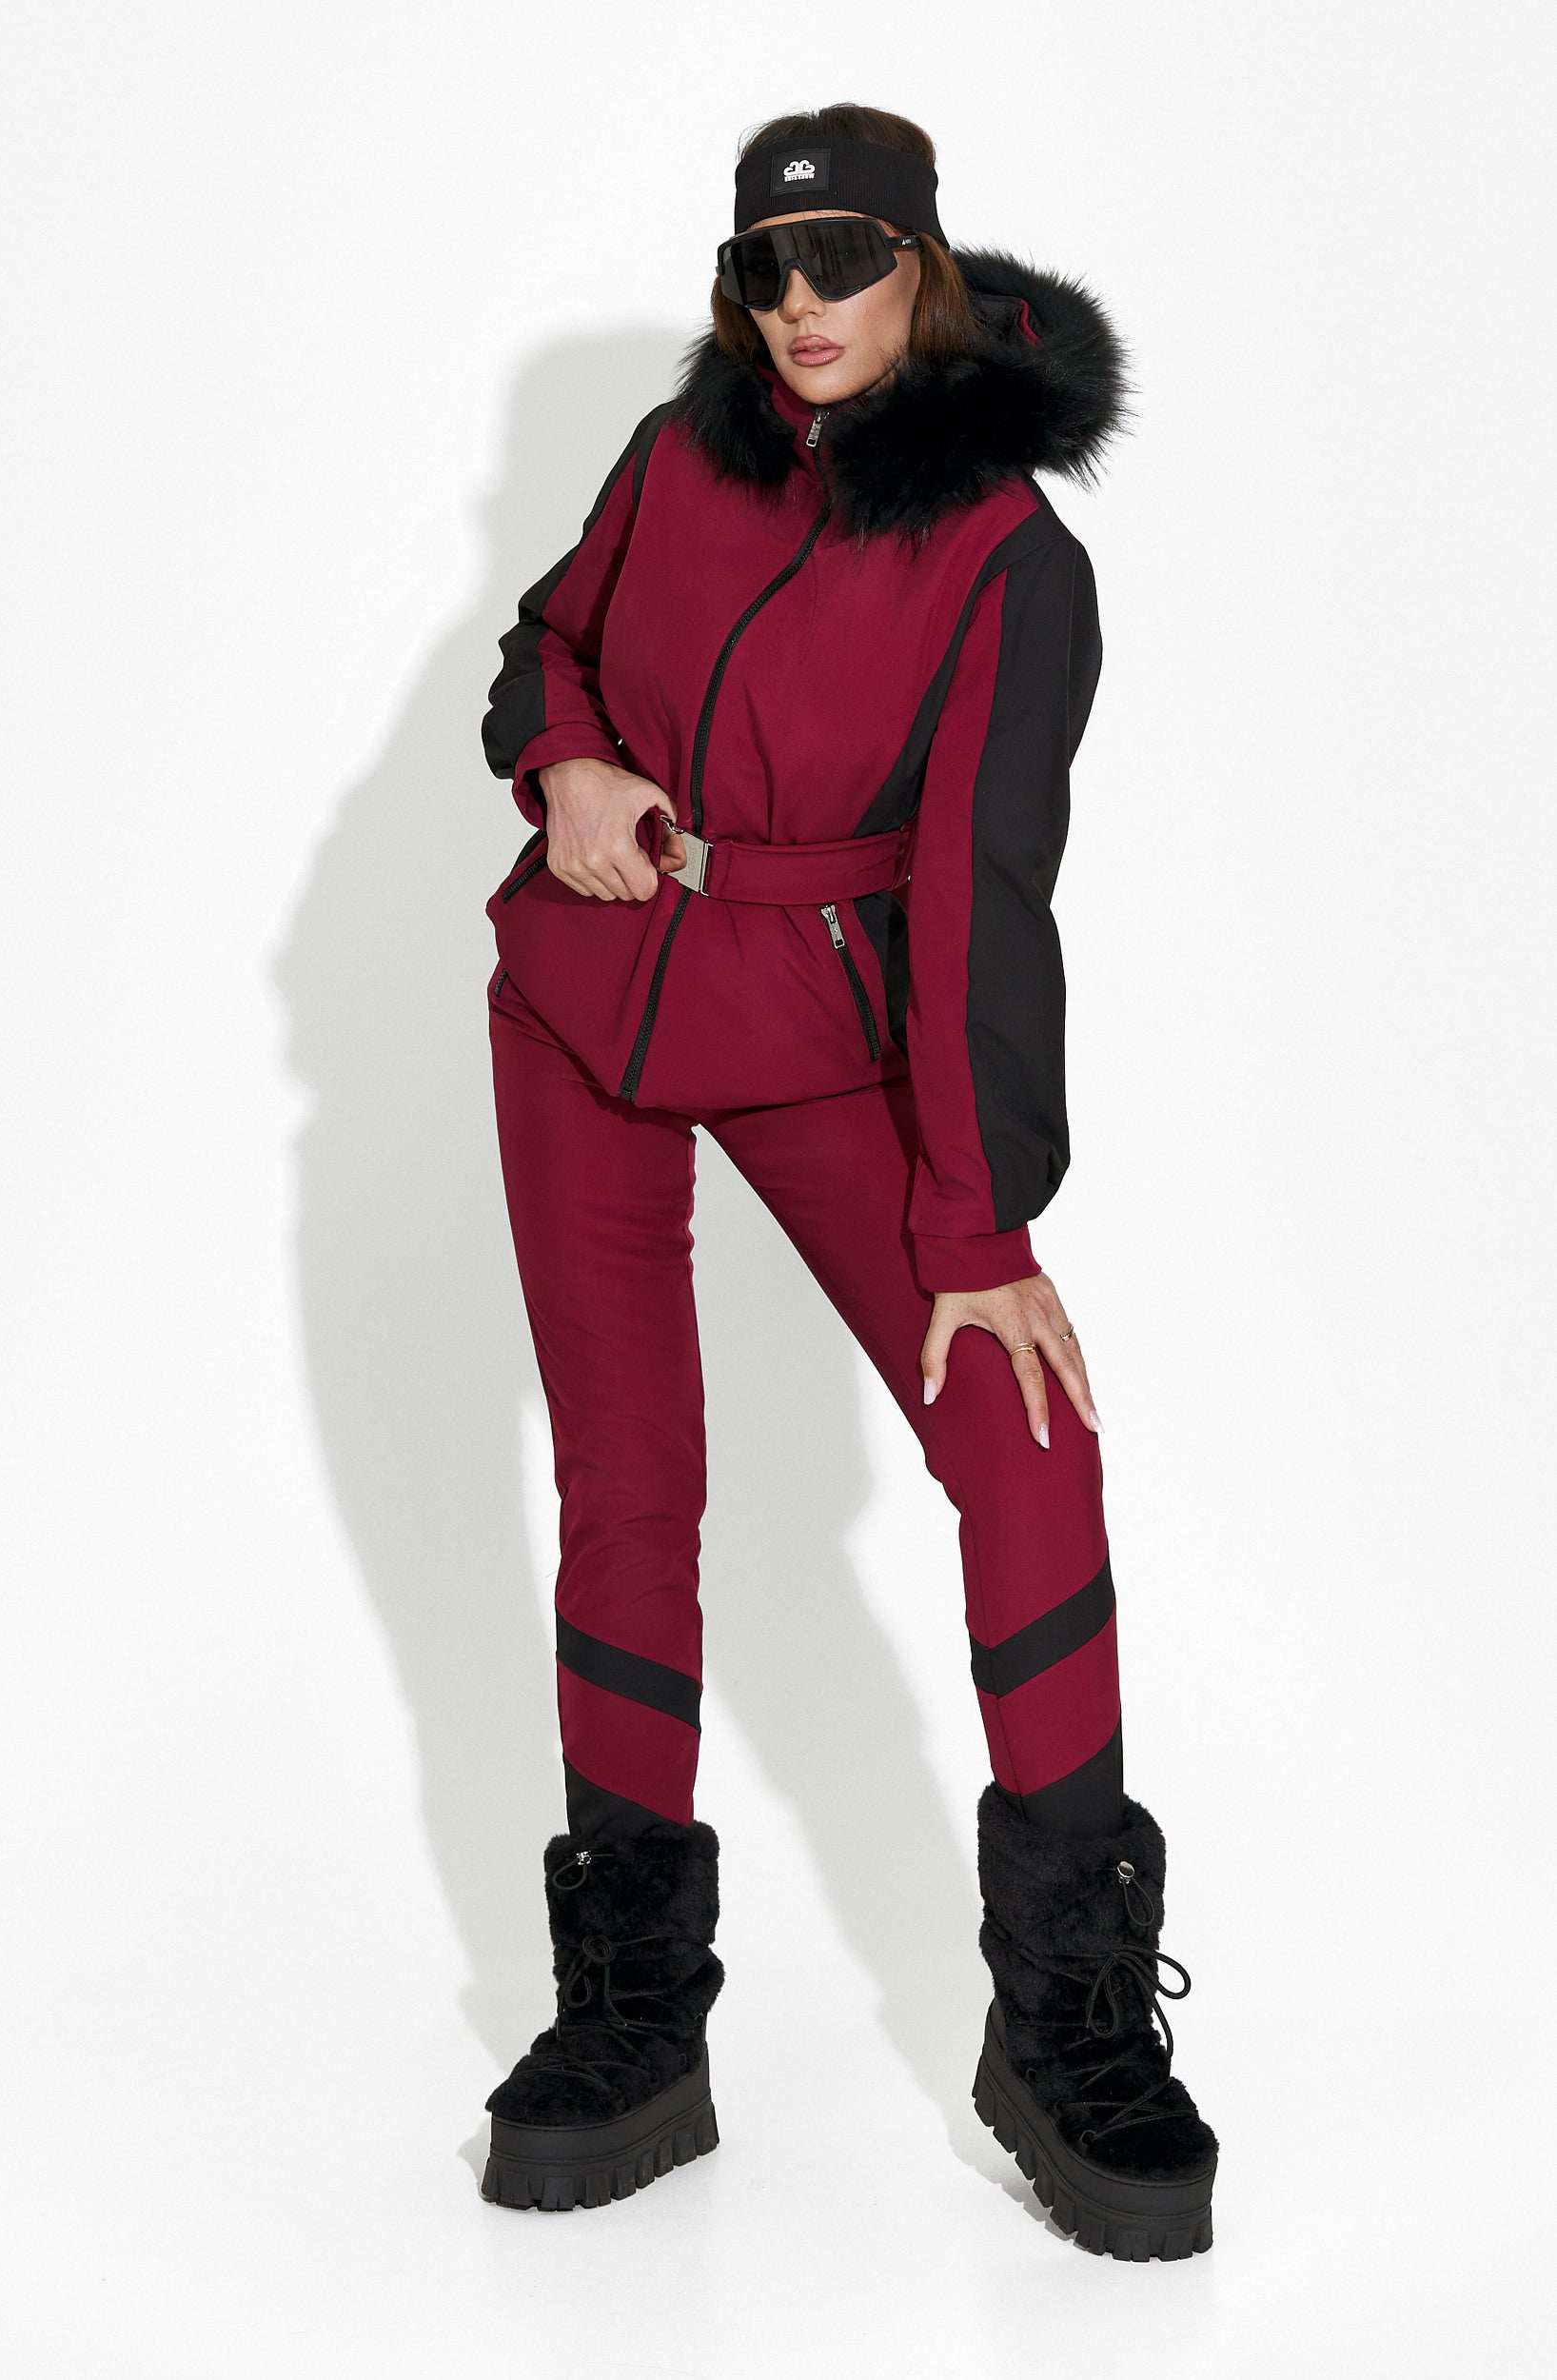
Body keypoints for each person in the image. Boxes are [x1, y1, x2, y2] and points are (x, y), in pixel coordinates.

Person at [475, 103, 1218, 2260]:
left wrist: (979, 1227)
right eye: (767, 268)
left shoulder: (1007, 556)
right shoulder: (676, 449)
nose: (801, 305)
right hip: (582, 1008)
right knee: (629, 1482)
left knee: (1030, 1451)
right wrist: (564, 760)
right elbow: (549, 638)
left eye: (847, 260)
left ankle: (1065, 2003)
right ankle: (633, 2008)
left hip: (828, 1035)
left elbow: (987, 893)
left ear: (926, 264)